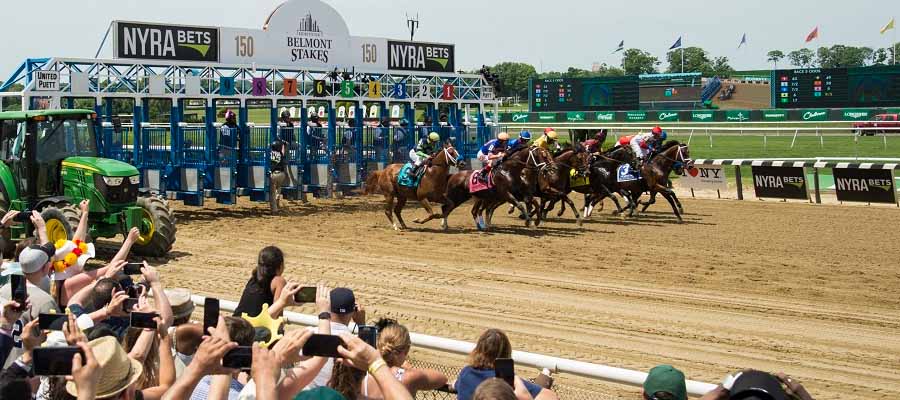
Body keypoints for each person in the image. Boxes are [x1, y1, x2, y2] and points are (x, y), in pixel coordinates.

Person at [454, 329, 558, 400]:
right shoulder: (506, 379)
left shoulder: (466, 372)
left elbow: (456, 385)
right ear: (506, 353)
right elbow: (551, 397)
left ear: (478, 349)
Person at [0, 242, 58, 368]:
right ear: (45, 268)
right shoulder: (46, 301)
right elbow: (54, 342)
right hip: (26, 371)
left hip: (3, 364)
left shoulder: (3, 289)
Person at [358, 320, 448, 399]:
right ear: (407, 350)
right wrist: (410, 370)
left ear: (379, 345)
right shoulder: (408, 377)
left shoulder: (362, 374)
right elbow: (442, 378)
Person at [306, 287, 366, 389]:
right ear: (353, 311)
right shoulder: (357, 344)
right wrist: (361, 324)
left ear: (328, 307)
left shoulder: (307, 334)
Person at [233, 246, 289, 319]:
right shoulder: (279, 281)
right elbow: (277, 316)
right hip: (250, 328)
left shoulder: (253, 279)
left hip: (234, 324)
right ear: (281, 265)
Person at [269, 138, 287, 214]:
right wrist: (283, 144)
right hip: (282, 174)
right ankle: (278, 198)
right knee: (278, 187)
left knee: (272, 192)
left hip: (274, 174)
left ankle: (274, 210)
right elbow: (283, 151)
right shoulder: (281, 153)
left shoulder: (270, 154)